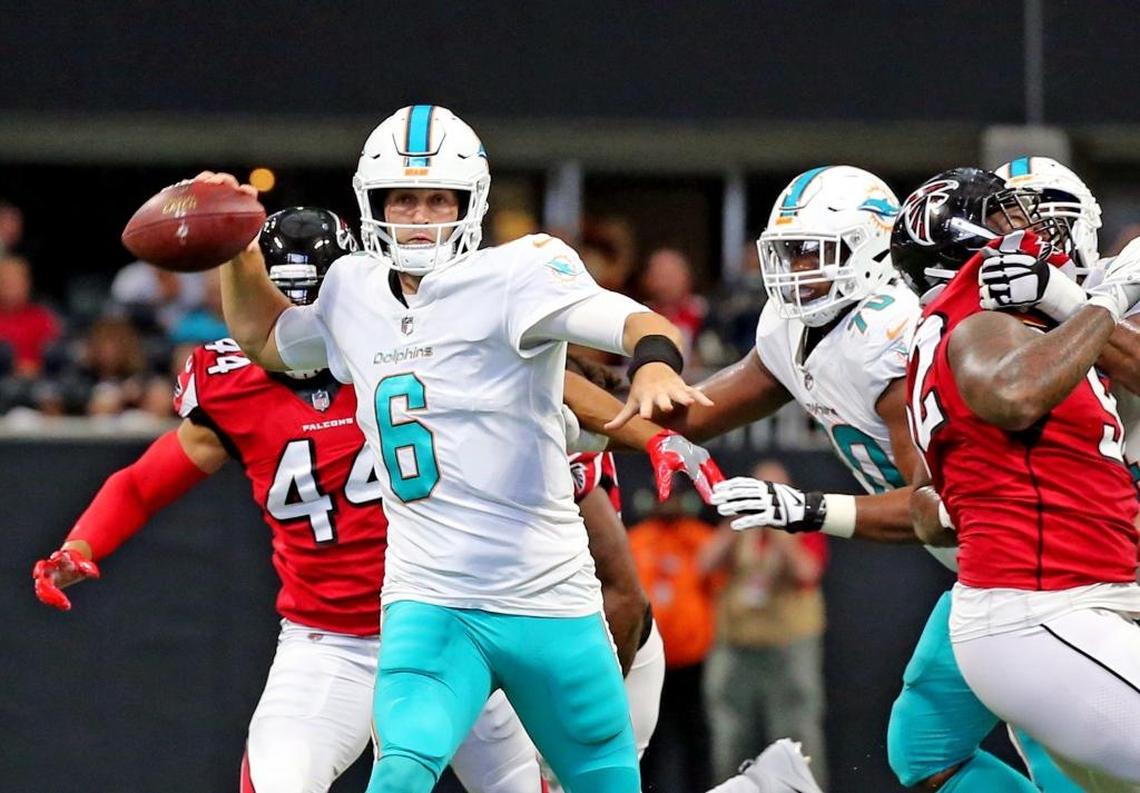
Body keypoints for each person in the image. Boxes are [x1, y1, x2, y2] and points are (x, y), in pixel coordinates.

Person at [210, 104, 711, 793]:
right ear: (374, 203)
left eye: (436, 199)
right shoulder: (351, 289)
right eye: (403, 199)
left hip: (549, 600)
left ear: (468, 202)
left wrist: (654, 362)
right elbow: (266, 337)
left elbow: (635, 320)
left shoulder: (520, 273)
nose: (418, 216)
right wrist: (238, 250)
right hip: (429, 597)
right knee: (400, 774)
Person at [564, 164, 1051, 792]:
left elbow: (940, 507)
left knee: (1057, 741)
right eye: (787, 254)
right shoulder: (794, 326)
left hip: (1031, 560)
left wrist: (809, 509)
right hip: (982, 568)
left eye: (812, 254)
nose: (795, 273)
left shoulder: (887, 337)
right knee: (927, 750)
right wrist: (577, 395)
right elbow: (688, 417)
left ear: (874, 248)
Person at [31, 208, 547, 793]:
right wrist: (83, 540)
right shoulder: (233, 385)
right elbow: (143, 483)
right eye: (282, 309)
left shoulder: (415, 349)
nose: (295, 330)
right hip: (332, 641)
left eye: (311, 310)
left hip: (450, 623)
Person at [895, 169, 1140, 787]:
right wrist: (1108, 299)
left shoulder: (1001, 322)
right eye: (1007, 216)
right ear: (965, 240)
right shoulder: (977, 314)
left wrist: (1072, 304)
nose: (1031, 228)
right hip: (1043, 609)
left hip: (1074, 598)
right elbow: (1011, 395)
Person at [703, 459, 828, 789]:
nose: (767, 499)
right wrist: (736, 519)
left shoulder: (804, 527)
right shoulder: (738, 529)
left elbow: (807, 573)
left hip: (788, 647)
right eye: (761, 491)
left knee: (796, 735)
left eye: (775, 492)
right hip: (737, 645)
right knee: (731, 735)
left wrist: (780, 531)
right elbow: (703, 563)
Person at [0, 254, 61, 376]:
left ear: (28, 284)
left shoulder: (44, 318)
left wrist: (33, 369)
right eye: (6, 282)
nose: (12, 288)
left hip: (40, 381)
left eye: (17, 282)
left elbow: (55, 355)